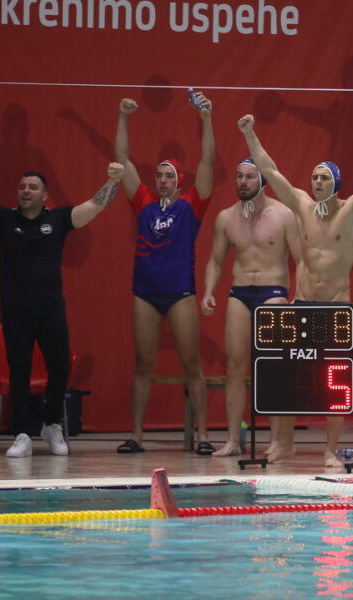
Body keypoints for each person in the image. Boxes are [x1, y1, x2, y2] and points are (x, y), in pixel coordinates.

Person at [241, 113, 353, 466]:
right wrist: (249, 133)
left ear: (335, 183)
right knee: (287, 378)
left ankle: (330, 450)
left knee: (337, 386)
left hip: (335, 307)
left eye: (323, 178)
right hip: (302, 302)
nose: (316, 182)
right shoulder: (302, 204)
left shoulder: (351, 211)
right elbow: (270, 170)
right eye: (314, 177)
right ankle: (284, 443)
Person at [0, 150, 124, 457]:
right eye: (22, 187)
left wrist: (113, 181)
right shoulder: (4, 219)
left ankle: (52, 424)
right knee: (19, 370)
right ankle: (22, 433)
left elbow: (95, 206)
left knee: (59, 366)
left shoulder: (58, 219)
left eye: (32, 187)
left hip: (50, 308)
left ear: (46, 195)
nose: (26, 191)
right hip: (16, 310)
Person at [114, 93, 215, 455]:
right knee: (143, 365)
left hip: (180, 294)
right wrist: (124, 117)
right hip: (145, 294)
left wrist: (206, 118)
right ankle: (136, 436)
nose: (162, 180)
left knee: (191, 365)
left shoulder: (192, 204)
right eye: (158, 175)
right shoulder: (142, 202)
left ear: (180, 180)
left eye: (168, 175)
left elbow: (209, 159)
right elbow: (122, 160)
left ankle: (203, 436)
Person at [201, 158, 301, 457]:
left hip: (274, 292)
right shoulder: (225, 217)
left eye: (249, 177)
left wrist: (300, 296)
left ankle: (277, 441)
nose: (242, 182)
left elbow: (303, 259)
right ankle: (233, 440)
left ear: (263, 180)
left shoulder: (283, 215)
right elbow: (215, 261)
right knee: (234, 368)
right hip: (239, 293)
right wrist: (208, 291)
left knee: (272, 370)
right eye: (239, 176)